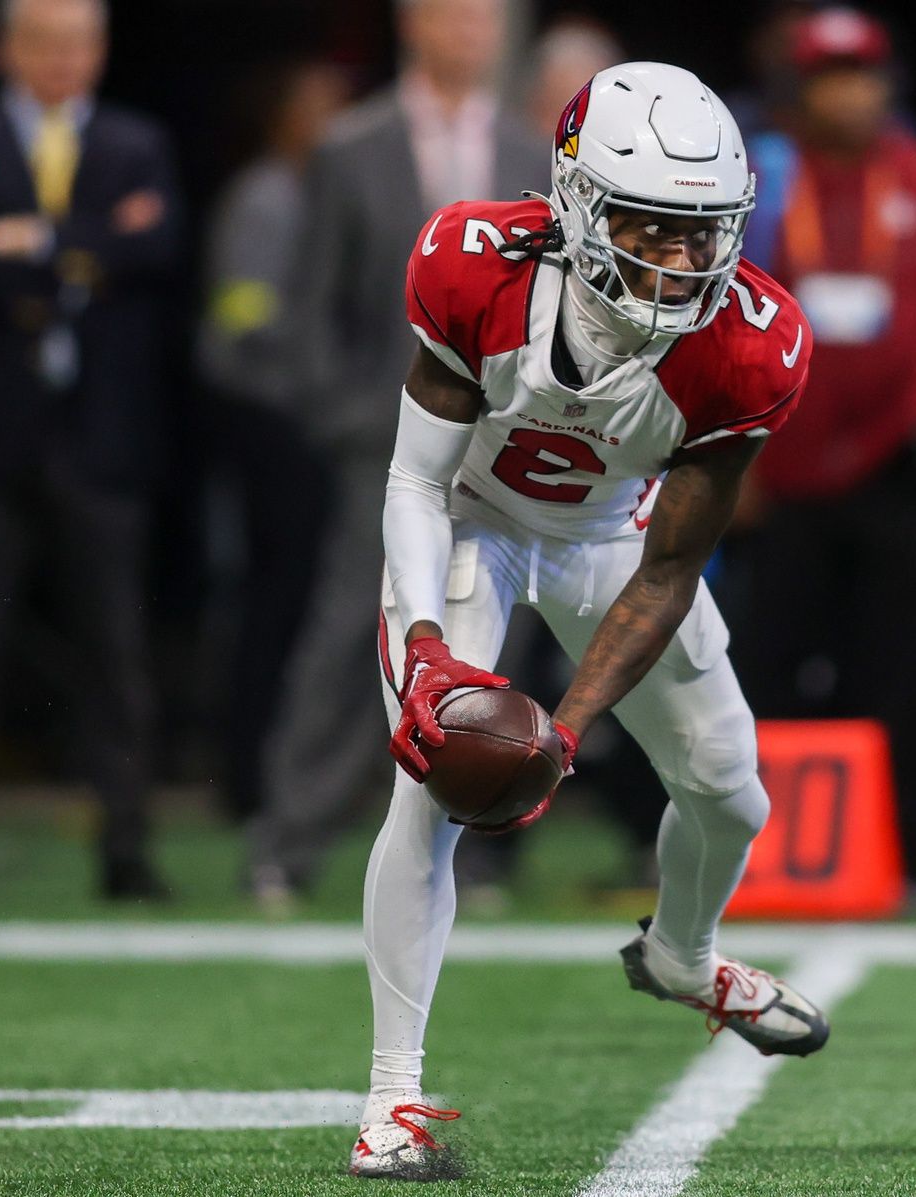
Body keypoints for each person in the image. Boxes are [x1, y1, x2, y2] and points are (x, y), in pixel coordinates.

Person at [346, 63, 829, 1180]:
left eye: (702, 236)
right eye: (651, 230)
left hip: (616, 539)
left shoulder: (750, 345)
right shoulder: (480, 268)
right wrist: (426, 654)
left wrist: (562, 733)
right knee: (434, 784)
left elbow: (669, 570)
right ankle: (391, 1101)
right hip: (468, 521)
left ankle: (683, 956)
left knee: (731, 788)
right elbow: (414, 484)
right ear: (574, 202)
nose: (679, 263)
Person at [244, 0, 550, 910]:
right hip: (386, 448)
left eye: (485, 16)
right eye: (452, 13)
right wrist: (351, 424)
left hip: (504, 453)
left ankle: (484, 847)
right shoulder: (350, 147)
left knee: (497, 642)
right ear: (414, 23)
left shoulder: (537, 157)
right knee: (349, 638)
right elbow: (308, 315)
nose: (470, 30)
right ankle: (286, 843)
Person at [731, 8, 916, 905]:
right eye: (829, 77)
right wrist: (724, 454)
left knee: (909, 668)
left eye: (862, 75)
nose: (849, 93)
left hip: (898, 461)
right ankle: (752, 855)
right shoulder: (761, 182)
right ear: (801, 90)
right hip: (781, 468)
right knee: (766, 666)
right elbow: (721, 318)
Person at [0, 0, 181, 900]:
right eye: (43, 43)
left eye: (76, 43)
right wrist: (95, 246)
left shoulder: (138, 142)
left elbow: (162, 249)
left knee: (116, 654)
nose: (61, 60)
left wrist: (34, 239)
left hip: (99, 438)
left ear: (100, 51)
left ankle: (127, 850)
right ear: (7, 49)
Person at [196, 62, 350, 822]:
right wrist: (323, 376)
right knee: (274, 600)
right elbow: (241, 324)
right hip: (268, 424)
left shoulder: (327, 195)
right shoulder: (265, 198)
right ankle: (247, 775)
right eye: (317, 107)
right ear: (282, 118)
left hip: (313, 426)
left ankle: (299, 773)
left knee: (311, 605)